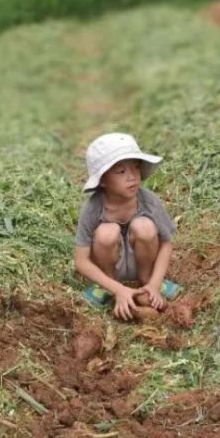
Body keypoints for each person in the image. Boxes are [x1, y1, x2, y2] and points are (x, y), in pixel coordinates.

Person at [74, 133, 181, 321]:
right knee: (107, 232)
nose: (132, 177)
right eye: (120, 172)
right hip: (109, 265)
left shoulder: (148, 201)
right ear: (103, 180)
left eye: (135, 168)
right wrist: (119, 289)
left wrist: (155, 284)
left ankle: (146, 280)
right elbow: (81, 261)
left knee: (145, 226)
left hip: (142, 260)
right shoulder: (93, 208)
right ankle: (109, 286)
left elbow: (166, 243)